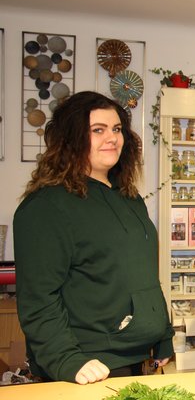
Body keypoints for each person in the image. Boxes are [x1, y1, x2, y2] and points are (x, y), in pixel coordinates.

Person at [14, 91, 174, 384]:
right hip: (89, 365)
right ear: (70, 139)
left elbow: (143, 274)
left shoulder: (128, 196)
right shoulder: (47, 206)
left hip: (136, 357)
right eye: (97, 130)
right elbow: (38, 300)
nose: (111, 138)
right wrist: (67, 360)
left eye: (116, 129)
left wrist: (162, 334)